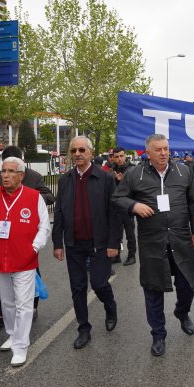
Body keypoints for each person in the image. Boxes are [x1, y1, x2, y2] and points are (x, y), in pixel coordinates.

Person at [112, 134, 194, 357]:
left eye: (166, 148)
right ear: (148, 153)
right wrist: (134, 206)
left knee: (187, 284)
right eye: (158, 149)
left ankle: (182, 312)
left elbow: (193, 201)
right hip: (152, 241)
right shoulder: (135, 174)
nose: (163, 153)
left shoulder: (184, 171)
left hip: (180, 238)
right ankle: (158, 334)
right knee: (153, 289)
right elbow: (117, 198)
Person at [0, 157, 51, 367]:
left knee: (24, 304)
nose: (5, 175)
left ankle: (20, 346)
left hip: (24, 259)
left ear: (21, 175)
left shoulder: (34, 196)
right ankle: (12, 334)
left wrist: (34, 247)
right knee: (7, 303)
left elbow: (44, 226)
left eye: (10, 171)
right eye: (2, 171)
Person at [52, 136, 121, 350]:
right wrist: (57, 243)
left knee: (99, 283)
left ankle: (110, 307)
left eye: (81, 150)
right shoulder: (65, 180)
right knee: (78, 288)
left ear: (90, 152)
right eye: (73, 151)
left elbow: (115, 214)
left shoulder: (105, 178)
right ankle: (84, 329)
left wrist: (114, 243)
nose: (77, 154)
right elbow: (60, 212)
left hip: (99, 243)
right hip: (74, 244)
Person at [0, 145, 55, 331]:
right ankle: (0, 313)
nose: (7, 174)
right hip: (2, 238)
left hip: (25, 236)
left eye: (12, 169)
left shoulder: (33, 177)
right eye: (5, 168)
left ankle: (32, 307)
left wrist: (31, 200)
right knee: (0, 276)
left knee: (31, 274)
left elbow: (49, 196)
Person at [109, 146, 138, 266]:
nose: (119, 159)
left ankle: (132, 255)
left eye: (121, 156)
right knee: (116, 232)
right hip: (115, 206)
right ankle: (117, 255)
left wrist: (122, 181)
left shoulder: (132, 169)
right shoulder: (112, 169)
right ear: (113, 158)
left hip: (128, 205)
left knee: (130, 232)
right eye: (117, 157)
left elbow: (136, 187)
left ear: (125, 156)